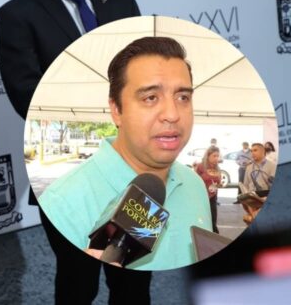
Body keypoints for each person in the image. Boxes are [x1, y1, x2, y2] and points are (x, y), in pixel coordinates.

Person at [0, 0, 145, 304]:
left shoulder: (123, 5)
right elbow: (29, 99)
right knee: (79, 285)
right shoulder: (16, 14)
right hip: (68, 180)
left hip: (134, 176)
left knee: (134, 284)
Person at [38, 37, 213, 270]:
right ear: (116, 110)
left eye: (183, 97)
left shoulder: (195, 184)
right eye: (150, 98)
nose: (172, 114)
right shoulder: (61, 205)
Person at [242, 143, 276, 225]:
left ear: (263, 151)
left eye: (255, 150)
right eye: (251, 151)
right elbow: (245, 185)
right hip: (251, 199)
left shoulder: (272, 166)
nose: (252, 153)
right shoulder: (249, 167)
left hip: (265, 199)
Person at [196, 146, 222, 233]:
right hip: (201, 197)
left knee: (213, 221)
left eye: (218, 156)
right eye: (214, 156)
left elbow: (218, 182)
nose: (216, 158)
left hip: (213, 197)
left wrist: (219, 184)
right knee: (202, 220)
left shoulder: (217, 168)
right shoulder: (200, 166)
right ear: (208, 156)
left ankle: (214, 237)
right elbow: (194, 180)